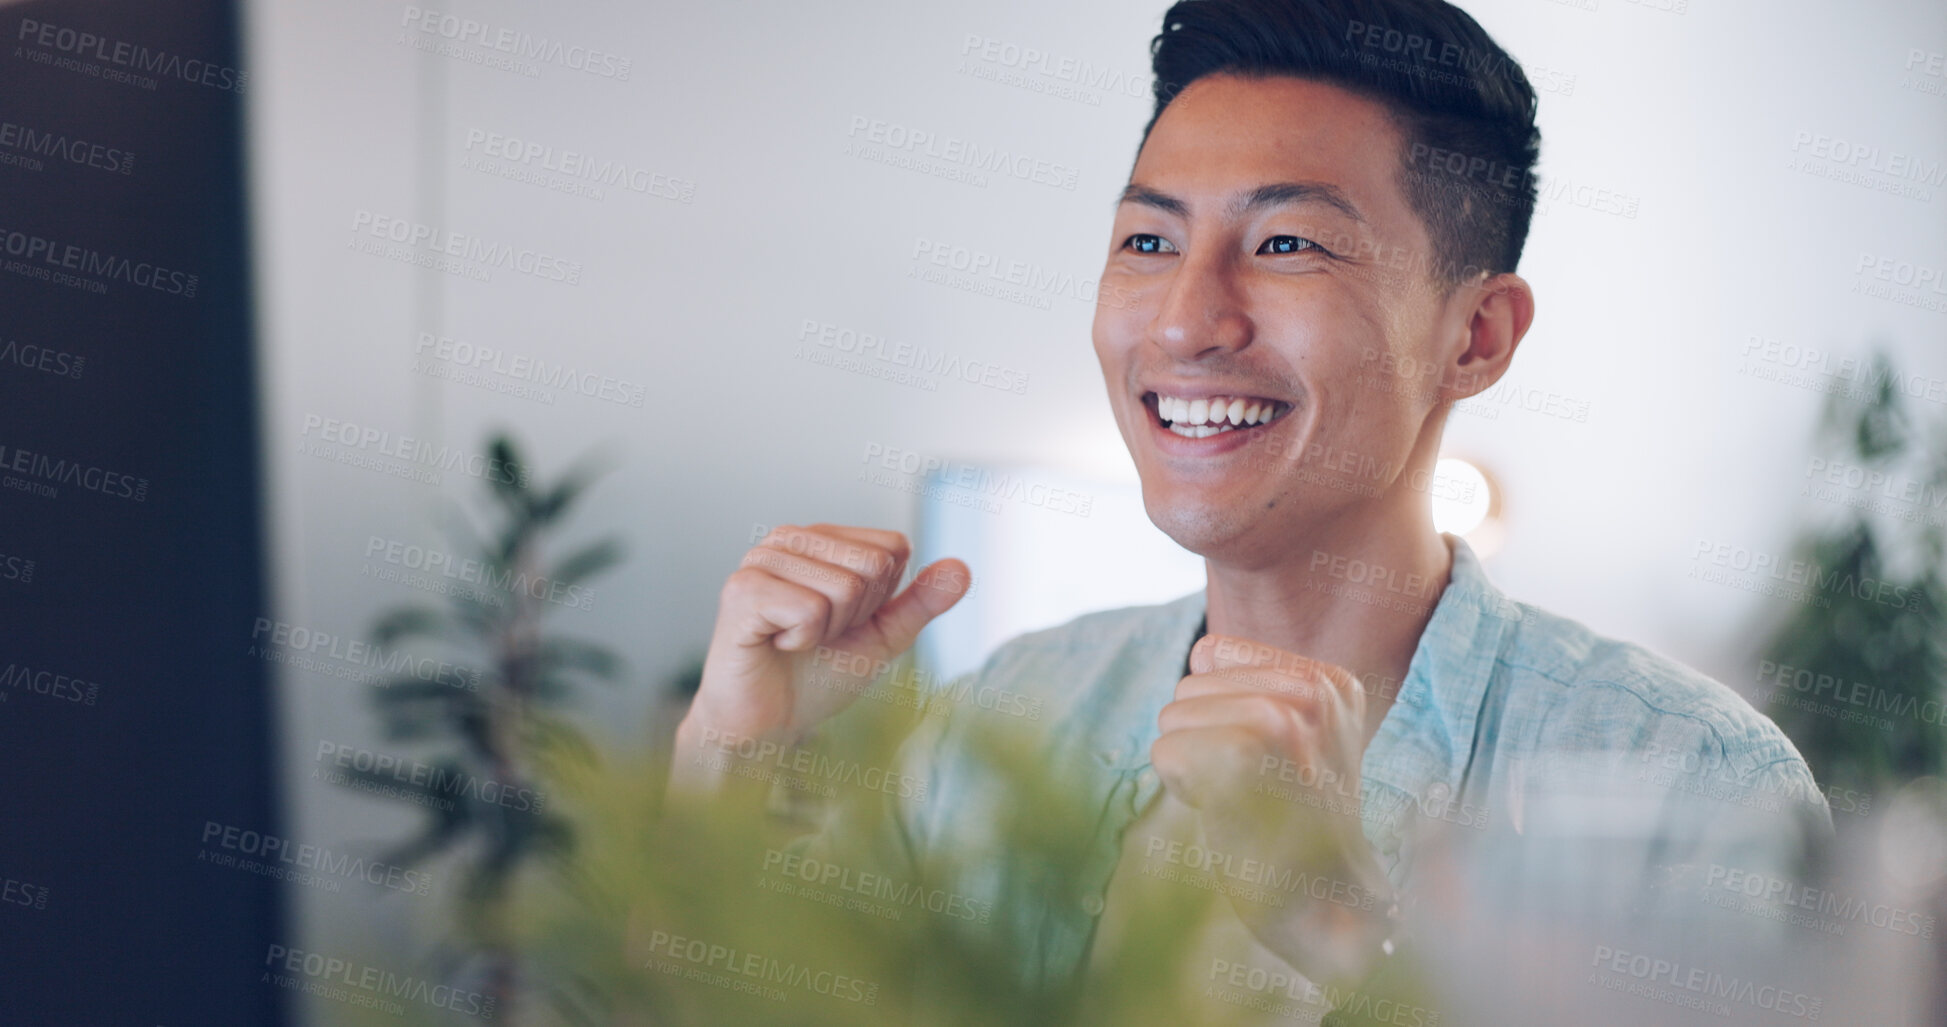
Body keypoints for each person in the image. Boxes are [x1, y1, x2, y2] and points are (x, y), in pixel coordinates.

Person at [669, 0, 1831, 1021]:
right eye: (1147, 240)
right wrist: (732, 758)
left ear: (1475, 337)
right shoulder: (1005, 716)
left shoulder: (1686, 784)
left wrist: (1339, 925)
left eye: (1285, 242)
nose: (1183, 320)